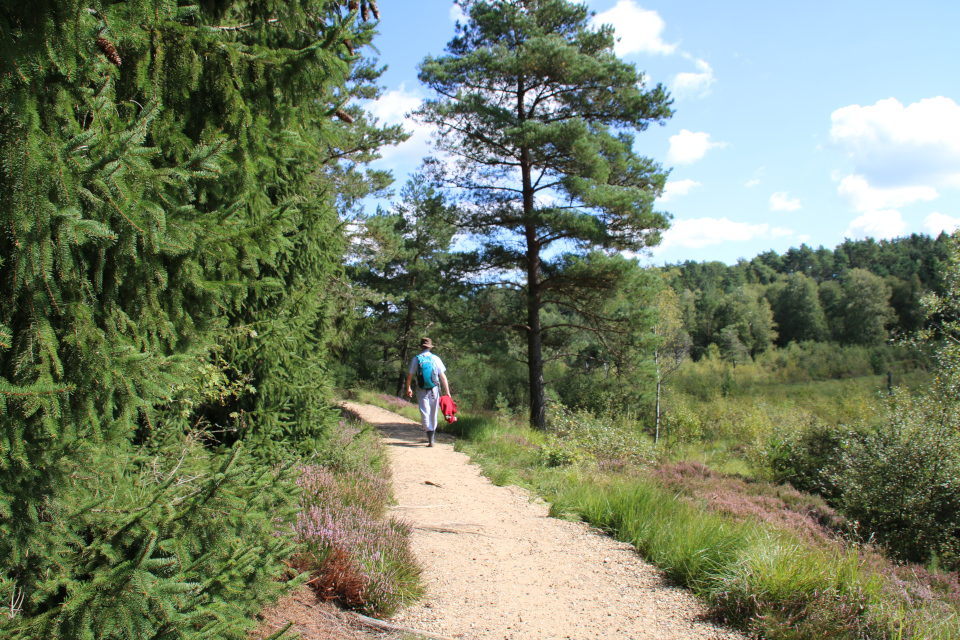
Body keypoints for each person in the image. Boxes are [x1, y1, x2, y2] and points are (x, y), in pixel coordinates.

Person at [405, 337, 451, 447]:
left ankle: (429, 435)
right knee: (434, 412)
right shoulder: (435, 358)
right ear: (430, 347)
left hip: (421, 389)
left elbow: (409, 376)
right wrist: (447, 392)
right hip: (434, 389)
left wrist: (408, 388)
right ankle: (433, 438)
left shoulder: (416, 359)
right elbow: (442, 376)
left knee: (424, 411)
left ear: (420, 347)